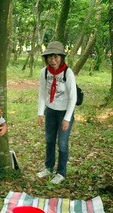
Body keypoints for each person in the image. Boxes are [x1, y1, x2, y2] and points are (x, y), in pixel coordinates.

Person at [37, 41, 77, 184]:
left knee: (62, 143)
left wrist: (67, 118)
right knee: (49, 141)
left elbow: (73, 97)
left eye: (56, 57)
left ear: (61, 57)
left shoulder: (68, 73)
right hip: (51, 111)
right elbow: (42, 93)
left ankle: (61, 172)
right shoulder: (44, 72)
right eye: (50, 57)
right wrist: (40, 113)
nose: (53, 60)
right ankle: (48, 168)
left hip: (64, 112)